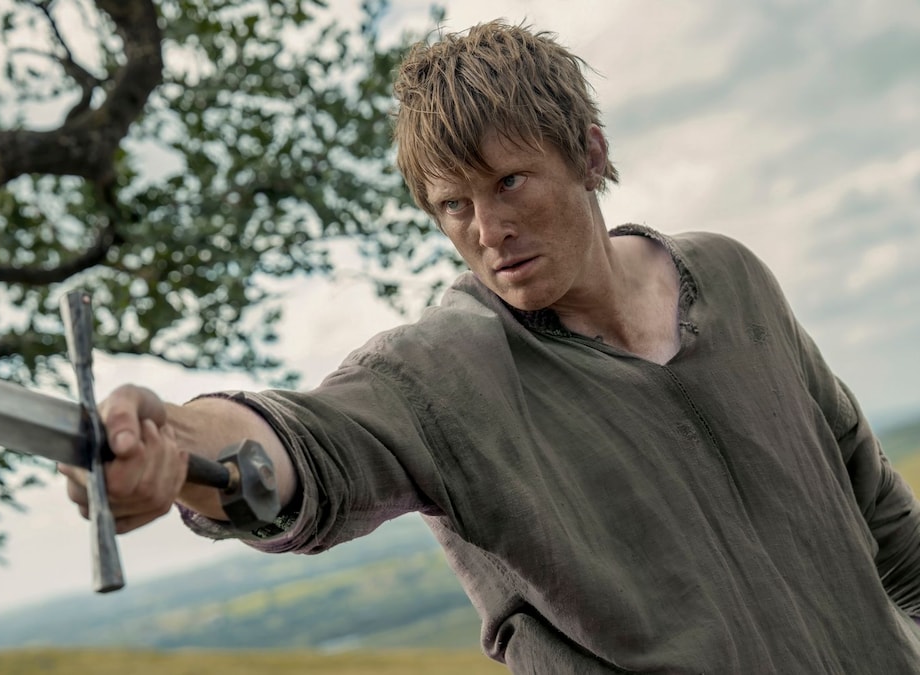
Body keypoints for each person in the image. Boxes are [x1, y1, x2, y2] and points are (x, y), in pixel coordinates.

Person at [60, 20, 920, 673]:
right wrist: (176, 441)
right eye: (454, 205)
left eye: (509, 182)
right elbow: (309, 444)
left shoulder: (731, 276)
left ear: (589, 153)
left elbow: (883, 518)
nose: (488, 228)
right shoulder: (445, 372)